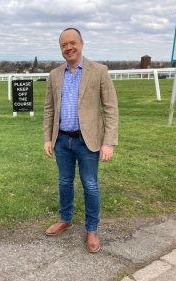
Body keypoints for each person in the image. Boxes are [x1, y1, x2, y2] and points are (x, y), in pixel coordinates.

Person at [43, 28, 119, 253]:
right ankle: (65, 219)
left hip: (89, 141)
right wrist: (48, 138)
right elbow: (49, 109)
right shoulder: (55, 75)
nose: (69, 48)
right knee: (64, 182)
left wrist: (108, 142)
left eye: (72, 43)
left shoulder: (99, 71)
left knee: (90, 185)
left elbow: (111, 108)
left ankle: (92, 228)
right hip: (62, 141)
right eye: (64, 45)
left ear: (82, 43)